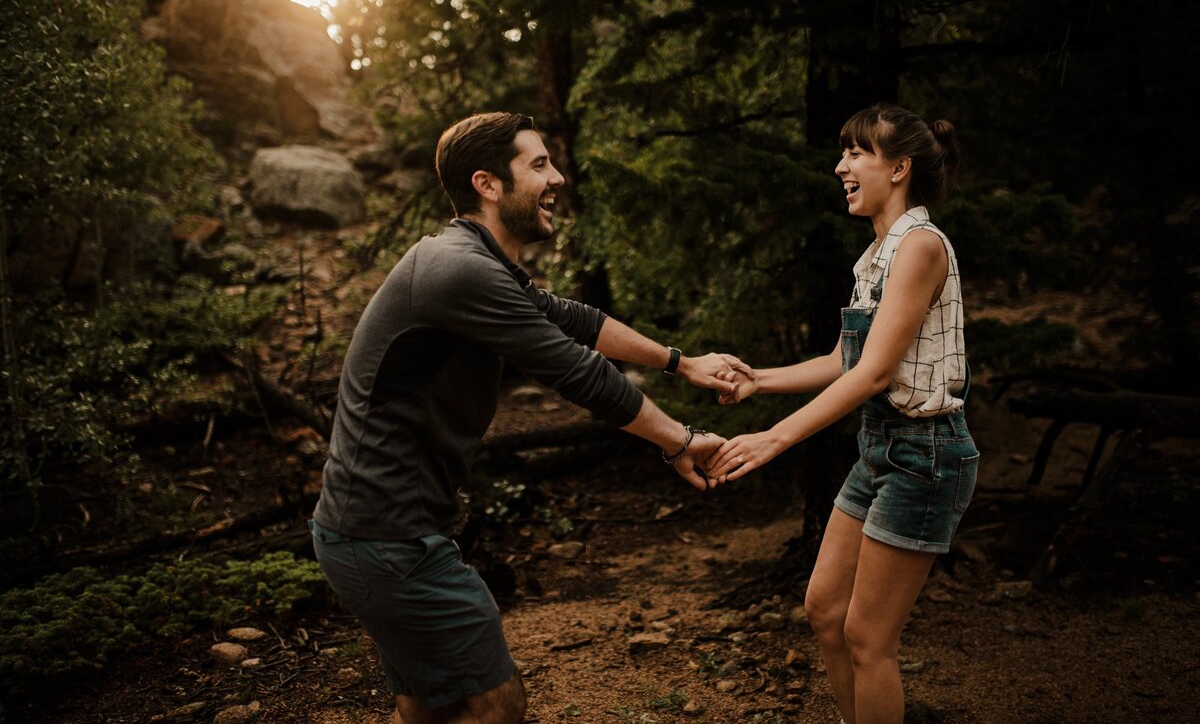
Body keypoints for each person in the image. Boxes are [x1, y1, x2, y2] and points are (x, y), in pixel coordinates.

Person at [309, 111, 749, 724]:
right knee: (498, 704)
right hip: (386, 535)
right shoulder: (458, 270)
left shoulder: (473, 262)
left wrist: (682, 362)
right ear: (488, 184)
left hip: (377, 530)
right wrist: (681, 441)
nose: (558, 177)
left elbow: (574, 319)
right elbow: (575, 369)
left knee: (429, 708)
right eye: (538, 165)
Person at [705, 104, 978, 724]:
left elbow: (876, 374)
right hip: (881, 449)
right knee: (825, 610)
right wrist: (758, 381)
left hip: (925, 454)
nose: (841, 167)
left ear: (900, 167)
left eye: (856, 153)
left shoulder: (922, 246)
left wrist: (774, 439)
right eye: (844, 153)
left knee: (868, 638)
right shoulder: (877, 255)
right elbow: (845, 359)